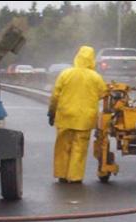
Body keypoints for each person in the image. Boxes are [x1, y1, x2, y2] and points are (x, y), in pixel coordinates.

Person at [48, 46, 107, 184]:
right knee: (79, 148)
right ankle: (75, 177)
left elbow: (55, 96)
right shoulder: (96, 77)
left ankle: (61, 174)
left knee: (62, 147)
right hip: (85, 119)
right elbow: (103, 93)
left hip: (65, 116)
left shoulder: (65, 74)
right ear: (92, 60)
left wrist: (52, 112)